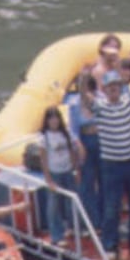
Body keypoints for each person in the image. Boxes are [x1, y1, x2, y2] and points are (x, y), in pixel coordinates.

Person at [95, 68, 130, 259]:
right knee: (112, 206)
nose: (113, 90)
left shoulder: (128, 101)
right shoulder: (99, 106)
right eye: (110, 87)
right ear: (104, 89)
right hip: (112, 165)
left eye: (116, 86)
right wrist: (85, 77)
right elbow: (85, 99)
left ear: (121, 87)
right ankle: (110, 244)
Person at [38, 105, 83, 245]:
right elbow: (44, 160)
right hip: (54, 173)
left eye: (56, 118)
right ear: (47, 121)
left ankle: (73, 227)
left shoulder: (66, 133)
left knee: (71, 202)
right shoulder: (44, 138)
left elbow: (73, 151)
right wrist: (48, 179)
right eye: (51, 118)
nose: (54, 121)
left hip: (68, 171)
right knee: (54, 205)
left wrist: (76, 169)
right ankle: (56, 235)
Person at [67, 72, 103, 223]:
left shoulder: (100, 99)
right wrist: (78, 144)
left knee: (104, 178)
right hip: (85, 141)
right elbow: (73, 129)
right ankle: (91, 218)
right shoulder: (74, 104)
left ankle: (104, 215)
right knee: (87, 179)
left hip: (101, 140)